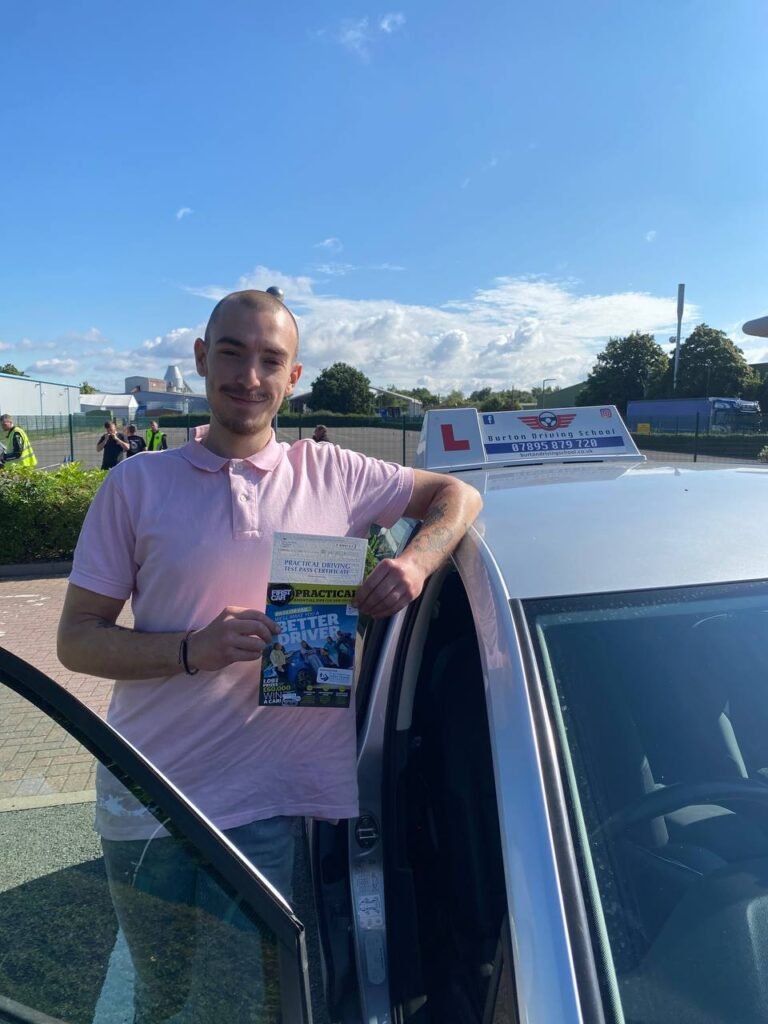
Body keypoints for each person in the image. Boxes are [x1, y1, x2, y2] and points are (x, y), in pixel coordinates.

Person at [57, 289, 482, 1019]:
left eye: (270, 360)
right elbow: (75, 640)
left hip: (268, 807)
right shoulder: (136, 484)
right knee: (160, 997)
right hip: (147, 800)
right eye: (231, 352)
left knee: (250, 1002)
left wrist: (414, 564)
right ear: (200, 358)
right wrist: (193, 650)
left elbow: (457, 495)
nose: (248, 375)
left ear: (294, 377)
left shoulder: (337, 476)